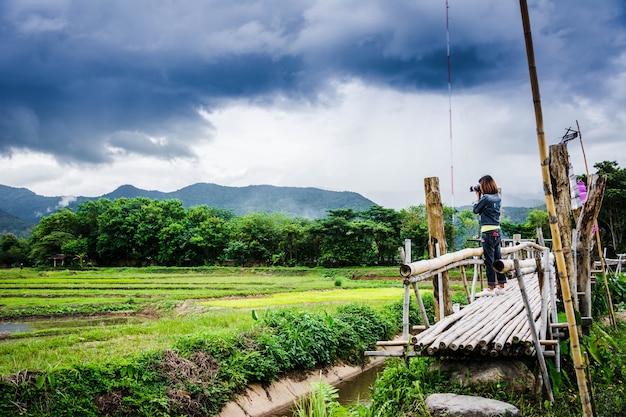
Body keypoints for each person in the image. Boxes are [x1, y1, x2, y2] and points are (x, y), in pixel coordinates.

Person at [472, 175, 506, 296]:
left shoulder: (485, 198)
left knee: (489, 260)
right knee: (498, 258)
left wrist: (477, 196)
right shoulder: (498, 197)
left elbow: (475, 210)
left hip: (487, 232)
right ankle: (501, 285)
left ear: (484, 185)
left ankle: (490, 287)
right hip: (497, 230)